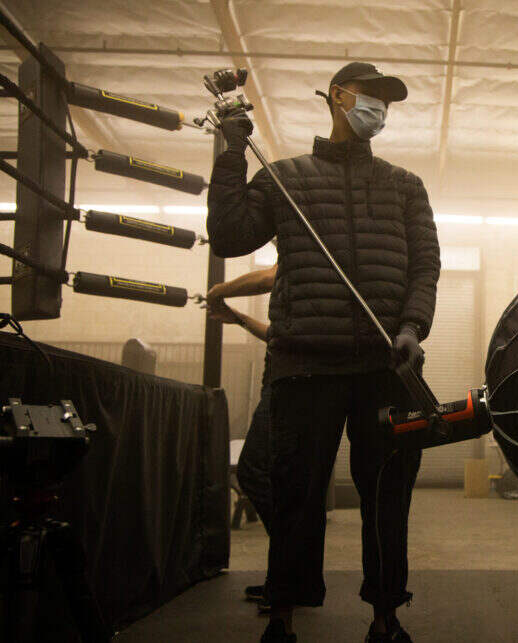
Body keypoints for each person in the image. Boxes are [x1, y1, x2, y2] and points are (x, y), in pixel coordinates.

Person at [207, 62, 440, 643]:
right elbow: (231, 235)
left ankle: (386, 618)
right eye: (372, 97)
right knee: (295, 497)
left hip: (385, 368)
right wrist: (231, 150)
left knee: (387, 497)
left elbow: (425, 267)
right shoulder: (285, 177)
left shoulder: (405, 186)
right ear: (339, 97)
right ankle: (282, 616)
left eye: (388, 102)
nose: (380, 110)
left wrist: (413, 326)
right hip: (304, 366)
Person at [205, 265, 278, 612]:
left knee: (251, 471)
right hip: (282, 379)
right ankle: (289, 577)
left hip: (284, 385)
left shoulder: (302, 248)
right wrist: (235, 316)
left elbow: (269, 276)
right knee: (278, 480)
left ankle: (291, 573)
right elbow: (277, 333)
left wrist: (221, 288)